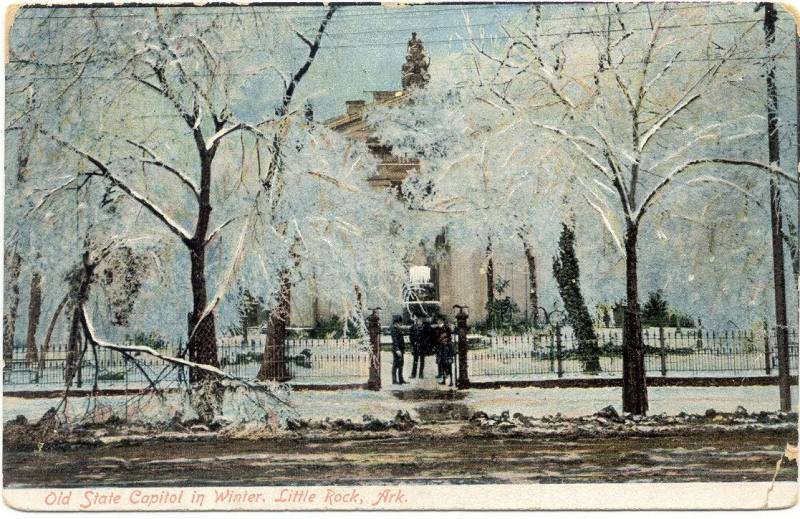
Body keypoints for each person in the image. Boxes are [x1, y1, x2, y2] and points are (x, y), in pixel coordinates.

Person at [436, 316, 454, 386]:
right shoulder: (437, 329)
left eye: (439, 320)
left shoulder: (447, 328)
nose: (438, 321)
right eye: (438, 320)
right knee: (442, 364)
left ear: (442, 321)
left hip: (447, 349)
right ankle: (444, 380)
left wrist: (445, 340)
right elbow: (435, 338)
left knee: (449, 365)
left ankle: (451, 381)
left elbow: (449, 338)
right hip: (440, 349)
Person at [390, 315, 407, 385]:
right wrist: (397, 349)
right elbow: (395, 340)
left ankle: (401, 379)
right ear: (396, 323)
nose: (400, 324)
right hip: (397, 350)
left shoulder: (397, 328)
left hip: (400, 349)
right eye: (399, 323)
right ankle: (394, 380)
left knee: (400, 364)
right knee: (395, 365)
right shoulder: (394, 329)